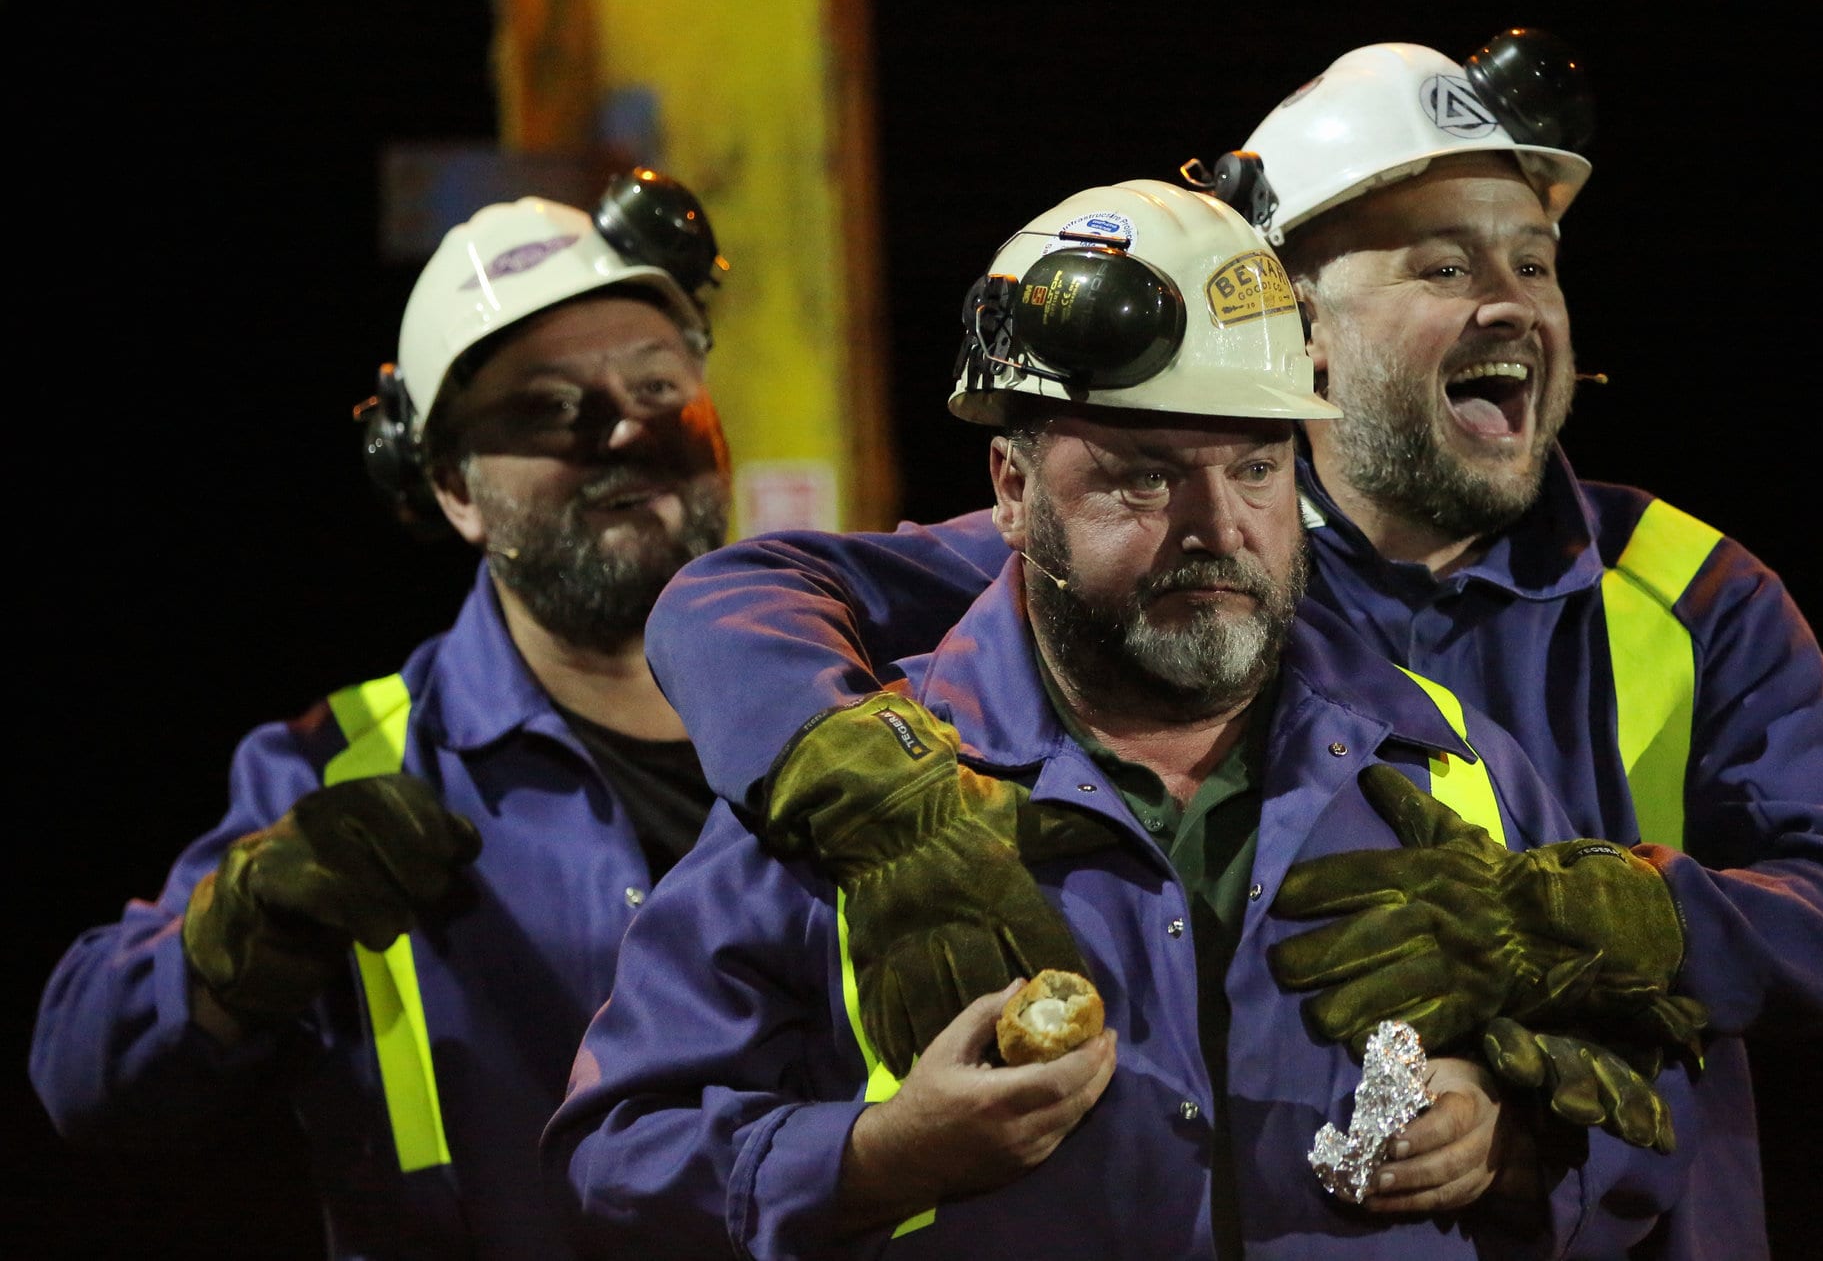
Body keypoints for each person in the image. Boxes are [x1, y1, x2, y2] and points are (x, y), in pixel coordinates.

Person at [643, 39, 1823, 1258]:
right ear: (1299, 325)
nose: (1512, 307)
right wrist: (874, 798)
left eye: (1535, 264)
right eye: (1444, 267)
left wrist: (1603, 933)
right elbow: (733, 601)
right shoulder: (1178, 565)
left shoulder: (1682, 594)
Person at [548, 181, 1696, 1260]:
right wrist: (873, 1161)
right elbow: (618, 1157)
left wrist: (1514, 1136)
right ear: (1009, 487)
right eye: (1140, 478)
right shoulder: (854, 799)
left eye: (1254, 468)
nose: (1217, 527)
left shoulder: (1451, 764)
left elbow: (1643, 1101)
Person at [31, 172, 734, 1259]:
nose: (624, 435)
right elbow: (86, 1073)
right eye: (547, 408)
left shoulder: (863, 711)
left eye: (656, 384)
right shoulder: (346, 771)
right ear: (451, 487)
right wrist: (240, 935)